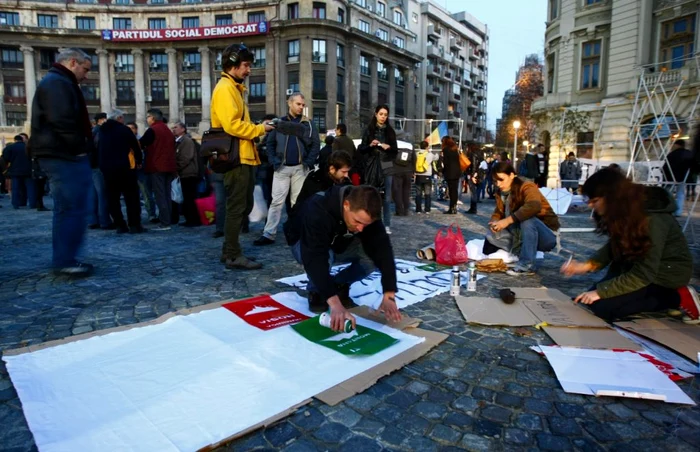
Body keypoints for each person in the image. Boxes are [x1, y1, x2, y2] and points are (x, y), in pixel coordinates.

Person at [561, 168, 698, 323]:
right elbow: (613, 246)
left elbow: (644, 273)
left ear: (611, 198)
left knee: (603, 307)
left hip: (664, 275)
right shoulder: (626, 212)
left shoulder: (652, 220)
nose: (591, 206)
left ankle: (676, 297)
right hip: (633, 266)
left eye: (595, 201)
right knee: (588, 303)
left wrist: (602, 292)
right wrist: (587, 265)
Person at [286, 184, 402, 329]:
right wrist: (335, 304)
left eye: (365, 225)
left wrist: (389, 295)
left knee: (371, 256)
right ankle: (316, 291)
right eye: (357, 221)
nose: (360, 228)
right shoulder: (318, 209)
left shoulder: (367, 212)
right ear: (346, 205)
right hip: (302, 242)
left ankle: (338, 283)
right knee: (324, 257)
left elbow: (383, 250)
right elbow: (314, 257)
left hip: (338, 241)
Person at [29, 48, 95, 276]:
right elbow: (63, 120)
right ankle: (65, 260)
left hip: (59, 153)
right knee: (72, 208)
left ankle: (65, 258)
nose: (86, 76)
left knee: (68, 208)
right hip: (64, 155)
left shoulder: (55, 81)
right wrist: (79, 149)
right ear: (73, 62)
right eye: (85, 69)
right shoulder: (58, 83)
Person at [211, 43, 273, 270]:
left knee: (242, 205)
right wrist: (259, 129)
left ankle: (230, 251)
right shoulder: (225, 88)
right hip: (236, 158)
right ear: (233, 64)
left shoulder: (233, 88)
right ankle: (233, 254)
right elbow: (232, 126)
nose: (249, 70)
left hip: (242, 156)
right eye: (246, 65)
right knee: (237, 207)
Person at [253, 92, 319, 246]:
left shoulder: (308, 123)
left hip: (299, 169)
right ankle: (269, 234)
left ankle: (297, 232)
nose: (301, 107)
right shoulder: (279, 123)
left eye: (303, 105)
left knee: (297, 203)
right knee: (276, 202)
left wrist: (308, 162)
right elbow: (269, 144)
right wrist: (274, 161)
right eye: (298, 104)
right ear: (290, 103)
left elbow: (315, 144)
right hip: (281, 168)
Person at [485, 161, 559, 275]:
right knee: (491, 237)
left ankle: (526, 265)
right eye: (495, 181)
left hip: (546, 235)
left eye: (501, 180)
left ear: (512, 175)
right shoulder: (502, 193)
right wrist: (495, 221)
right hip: (520, 232)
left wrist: (506, 221)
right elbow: (498, 212)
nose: (498, 184)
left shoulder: (527, 186)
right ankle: (520, 251)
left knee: (527, 219)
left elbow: (534, 206)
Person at [97, 109, 145, 234]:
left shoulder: (101, 131)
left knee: (112, 198)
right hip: (125, 168)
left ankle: (120, 225)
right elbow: (135, 147)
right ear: (118, 118)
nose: (123, 119)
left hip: (108, 169)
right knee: (131, 198)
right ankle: (134, 225)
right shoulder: (124, 130)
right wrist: (139, 160)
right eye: (122, 117)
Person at [357, 105, 398, 233]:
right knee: (371, 194)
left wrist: (389, 147)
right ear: (376, 114)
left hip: (386, 163)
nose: (383, 117)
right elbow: (361, 149)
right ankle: (371, 221)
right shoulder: (369, 130)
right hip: (372, 163)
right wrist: (370, 145)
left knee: (387, 196)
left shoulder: (390, 131)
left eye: (385, 115)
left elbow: (395, 151)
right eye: (381, 114)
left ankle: (386, 224)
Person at [140, 108, 177, 231]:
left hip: (157, 166)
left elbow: (140, 143)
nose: (147, 119)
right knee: (166, 195)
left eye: (148, 117)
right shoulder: (167, 130)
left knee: (160, 195)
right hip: (169, 166)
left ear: (152, 118)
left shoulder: (153, 130)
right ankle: (168, 220)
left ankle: (165, 222)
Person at [172, 122, 201, 227]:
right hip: (184, 173)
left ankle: (194, 220)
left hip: (188, 173)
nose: (173, 129)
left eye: (176, 127)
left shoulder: (186, 141)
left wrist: (176, 168)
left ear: (183, 129)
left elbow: (186, 158)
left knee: (190, 198)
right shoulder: (178, 142)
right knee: (186, 198)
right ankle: (189, 219)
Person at [127, 121, 157, 223]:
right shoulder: (123, 140)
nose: (130, 130)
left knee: (146, 193)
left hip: (141, 169)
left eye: (132, 128)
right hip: (129, 170)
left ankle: (151, 214)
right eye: (128, 128)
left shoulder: (142, 140)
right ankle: (135, 215)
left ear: (136, 129)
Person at [88, 112, 112, 230]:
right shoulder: (101, 132)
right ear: (102, 120)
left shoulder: (92, 132)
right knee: (102, 194)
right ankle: (104, 221)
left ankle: (93, 220)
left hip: (91, 166)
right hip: (99, 165)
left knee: (93, 194)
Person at [1, 135, 35, 209]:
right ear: (22, 140)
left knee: (15, 188)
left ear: (15, 140)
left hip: (15, 170)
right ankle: (32, 203)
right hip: (28, 170)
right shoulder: (28, 147)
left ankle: (15, 204)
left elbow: (5, 158)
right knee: (30, 188)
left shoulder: (10, 147)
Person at [663, 139, 693, 217]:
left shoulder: (672, 154)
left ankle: (667, 209)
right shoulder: (689, 154)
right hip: (683, 177)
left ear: (677, 145)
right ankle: (678, 211)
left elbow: (666, 167)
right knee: (680, 194)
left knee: (668, 193)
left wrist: (664, 176)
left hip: (671, 177)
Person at [414, 141, 438, 214]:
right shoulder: (429, 154)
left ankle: (418, 209)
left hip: (418, 175)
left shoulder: (417, 154)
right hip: (427, 175)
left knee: (418, 193)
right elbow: (436, 157)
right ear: (427, 147)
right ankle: (427, 209)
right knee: (427, 194)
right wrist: (433, 152)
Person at [392, 144, 414, 217]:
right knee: (406, 191)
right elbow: (414, 159)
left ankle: (399, 210)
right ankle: (406, 210)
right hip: (408, 171)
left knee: (397, 191)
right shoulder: (409, 146)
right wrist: (413, 170)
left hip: (397, 171)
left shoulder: (394, 145)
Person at [440, 136, 461, 214]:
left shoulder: (446, 149)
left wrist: (443, 171)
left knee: (451, 191)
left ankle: (451, 208)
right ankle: (454, 207)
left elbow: (446, 162)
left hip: (450, 172)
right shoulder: (455, 149)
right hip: (457, 172)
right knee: (454, 191)